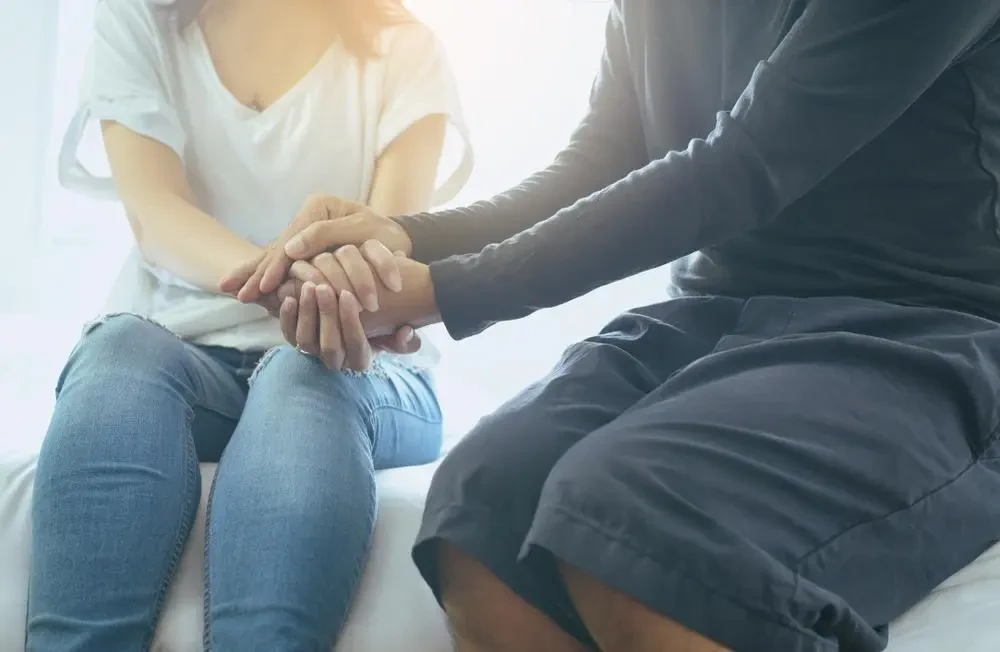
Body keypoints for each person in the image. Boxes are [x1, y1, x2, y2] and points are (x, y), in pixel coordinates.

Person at [222, 1, 1000, 651]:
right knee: (485, 506)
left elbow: (745, 163)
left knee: (635, 516)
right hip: (720, 316)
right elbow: (604, 158)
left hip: (922, 330)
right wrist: (405, 242)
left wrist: (448, 289)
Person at [27, 0, 470, 650]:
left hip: (349, 360)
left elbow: (389, 252)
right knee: (119, 348)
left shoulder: (404, 48)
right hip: (178, 348)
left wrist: (310, 297)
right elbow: (156, 215)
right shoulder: (139, 20)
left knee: (301, 377)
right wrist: (284, 281)